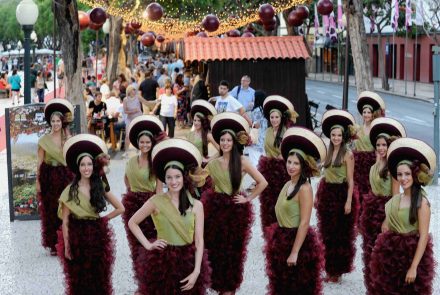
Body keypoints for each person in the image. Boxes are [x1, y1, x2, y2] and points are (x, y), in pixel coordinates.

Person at [128, 138, 211, 294]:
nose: (173, 181)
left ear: (184, 178)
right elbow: (132, 222)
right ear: (164, 180)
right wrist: (148, 244)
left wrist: (197, 272)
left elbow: (199, 241)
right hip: (162, 263)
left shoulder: (197, 206)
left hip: (188, 263)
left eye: (177, 177)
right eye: (169, 177)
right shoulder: (155, 201)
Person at [202, 112, 268, 294]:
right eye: (222, 140)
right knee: (215, 248)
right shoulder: (213, 163)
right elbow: (201, 180)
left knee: (233, 251)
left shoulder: (242, 161)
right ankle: (219, 285)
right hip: (215, 210)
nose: (225, 143)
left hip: (235, 211)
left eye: (228, 140)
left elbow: (263, 182)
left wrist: (248, 197)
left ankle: (229, 288)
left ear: (233, 142)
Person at [57, 134, 125, 295]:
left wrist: (102, 221)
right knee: (79, 277)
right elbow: (65, 222)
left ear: (93, 167)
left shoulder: (99, 185)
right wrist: (67, 246)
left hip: (97, 235)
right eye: (83, 165)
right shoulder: (69, 191)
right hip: (77, 235)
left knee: (98, 275)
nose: (86, 168)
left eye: (89, 164)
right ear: (78, 167)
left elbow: (120, 208)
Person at [369, 138, 436, 294]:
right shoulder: (396, 199)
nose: (403, 178)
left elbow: (424, 237)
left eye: (407, 174)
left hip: (411, 255)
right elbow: (388, 224)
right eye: (399, 174)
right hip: (391, 253)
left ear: (415, 175)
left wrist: (413, 267)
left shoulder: (422, 202)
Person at [264, 127, 326, 294]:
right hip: (281, 238)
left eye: (296, 163)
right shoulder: (287, 184)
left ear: (303, 165)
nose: (291, 166)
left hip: (296, 242)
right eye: (289, 162)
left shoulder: (305, 189)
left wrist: (294, 252)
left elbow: (305, 222)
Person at [359, 117, 405, 293]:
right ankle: (371, 287)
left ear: (389, 146)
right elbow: (371, 190)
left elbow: (396, 195)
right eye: (378, 145)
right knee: (369, 249)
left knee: (382, 252)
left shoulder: (393, 169)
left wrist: (388, 219)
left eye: (384, 145)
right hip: (371, 208)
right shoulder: (373, 166)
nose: (381, 148)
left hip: (385, 209)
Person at [122, 115, 165, 292]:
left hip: (150, 206)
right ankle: (141, 284)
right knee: (136, 246)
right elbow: (126, 180)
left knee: (150, 246)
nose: (145, 145)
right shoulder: (131, 161)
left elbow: (160, 189)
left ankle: (150, 285)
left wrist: (158, 210)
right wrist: (132, 196)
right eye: (142, 142)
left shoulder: (155, 162)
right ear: (137, 143)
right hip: (133, 205)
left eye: (148, 142)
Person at [316, 109, 357, 283]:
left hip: (341, 194)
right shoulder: (327, 152)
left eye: (339, 135)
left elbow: (350, 180)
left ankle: (337, 271)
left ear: (343, 136)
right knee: (327, 232)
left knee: (340, 234)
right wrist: (318, 197)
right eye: (333, 135)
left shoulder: (348, 154)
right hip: (327, 193)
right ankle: (329, 269)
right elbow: (324, 176)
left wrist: (348, 201)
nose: (336, 138)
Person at [37, 99, 75, 255]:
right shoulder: (43, 140)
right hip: (49, 177)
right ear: (49, 122)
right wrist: (38, 182)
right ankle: (54, 243)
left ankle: (68, 240)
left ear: (62, 122)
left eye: (58, 121)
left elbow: (73, 158)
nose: (55, 124)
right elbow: (39, 163)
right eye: (52, 121)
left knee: (68, 208)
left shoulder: (67, 139)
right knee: (51, 209)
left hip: (65, 176)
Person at [258, 95, 298, 234]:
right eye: (272, 117)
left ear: (281, 118)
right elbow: (265, 148)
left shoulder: (286, 132)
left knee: (281, 199)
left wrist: (283, 156)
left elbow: (291, 151)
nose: (274, 120)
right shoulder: (268, 131)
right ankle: (268, 228)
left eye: (277, 117)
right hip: (268, 168)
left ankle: (281, 225)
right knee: (268, 200)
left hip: (282, 169)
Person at [353, 91, 385, 221]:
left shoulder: (374, 129)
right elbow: (355, 146)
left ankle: (367, 217)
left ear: (373, 114)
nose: (366, 114)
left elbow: (378, 148)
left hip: (370, 162)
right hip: (358, 162)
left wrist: (377, 166)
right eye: (364, 112)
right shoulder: (358, 129)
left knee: (369, 189)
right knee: (358, 190)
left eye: (369, 112)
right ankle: (358, 217)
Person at [187, 100, 219, 165]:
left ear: (203, 122)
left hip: (200, 166)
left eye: (199, 121)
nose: (196, 123)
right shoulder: (189, 134)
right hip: (189, 164)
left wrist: (208, 160)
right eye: (195, 120)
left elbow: (221, 150)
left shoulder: (207, 135)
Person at [123, 85, 143, 155]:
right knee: (127, 135)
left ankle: (139, 149)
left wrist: (155, 102)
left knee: (138, 134)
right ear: (129, 91)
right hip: (130, 118)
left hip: (138, 118)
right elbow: (125, 111)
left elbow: (146, 102)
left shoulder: (138, 97)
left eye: (135, 90)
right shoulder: (125, 99)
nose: (134, 91)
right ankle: (126, 151)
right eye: (133, 90)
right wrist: (133, 111)